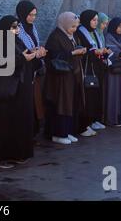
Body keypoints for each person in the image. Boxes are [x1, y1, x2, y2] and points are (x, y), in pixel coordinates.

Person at [0, 15, 36, 168]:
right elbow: (2, 62)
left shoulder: (16, 41)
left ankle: (16, 153)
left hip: (17, 88)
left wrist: (33, 53)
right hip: (5, 89)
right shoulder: (0, 43)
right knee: (2, 122)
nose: (16, 30)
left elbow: (21, 55)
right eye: (13, 27)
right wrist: (24, 59)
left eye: (17, 26)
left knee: (15, 122)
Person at [44, 12, 87, 145]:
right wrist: (73, 52)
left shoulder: (70, 36)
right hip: (59, 80)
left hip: (71, 76)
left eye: (76, 26)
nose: (74, 29)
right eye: (72, 26)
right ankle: (58, 133)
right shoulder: (55, 36)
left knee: (70, 104)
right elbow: (53, 57)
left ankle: (67, 131)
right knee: (61, 105)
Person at [15, 0, 47, 136]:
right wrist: (33, 52)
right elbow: (19, 49)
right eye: (30, 15)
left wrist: (37, 51)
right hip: (22, 71)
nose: (32, 18)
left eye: (34, 15)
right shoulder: (16, 28)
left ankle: (32, 131)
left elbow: (33, 44)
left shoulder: (32, 28)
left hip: (33, 69)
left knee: (34, 102)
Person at [105, 18, 121, 127]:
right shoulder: (108, 36)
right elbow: (110, 49)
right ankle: (112, 118)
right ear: (114, 26)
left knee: (120, 94)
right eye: (119, 26)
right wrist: (119, 53)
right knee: (113, 93)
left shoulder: (120, 37)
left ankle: (119, 118)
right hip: (112, 70)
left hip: (120, 69)